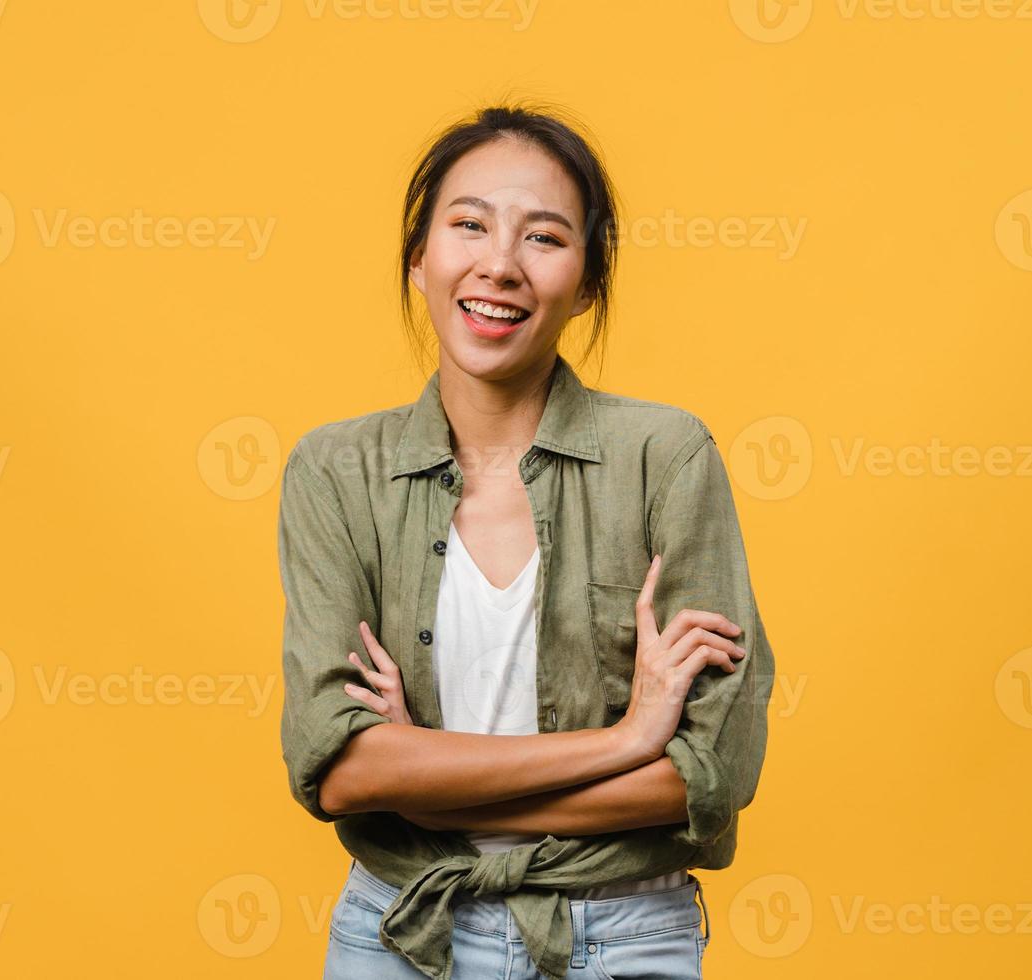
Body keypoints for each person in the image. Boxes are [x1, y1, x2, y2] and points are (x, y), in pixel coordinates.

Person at [277, 101, 776, 980]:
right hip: (399, 932)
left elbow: (710, 774)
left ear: (586, 282)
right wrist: (625, 741)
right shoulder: (334, 471)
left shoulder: (665, 457)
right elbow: (342, 774)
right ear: (420, 257)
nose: (499, 265)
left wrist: (422, 778)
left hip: (621, 935)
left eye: (544, 238)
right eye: (468, 226)